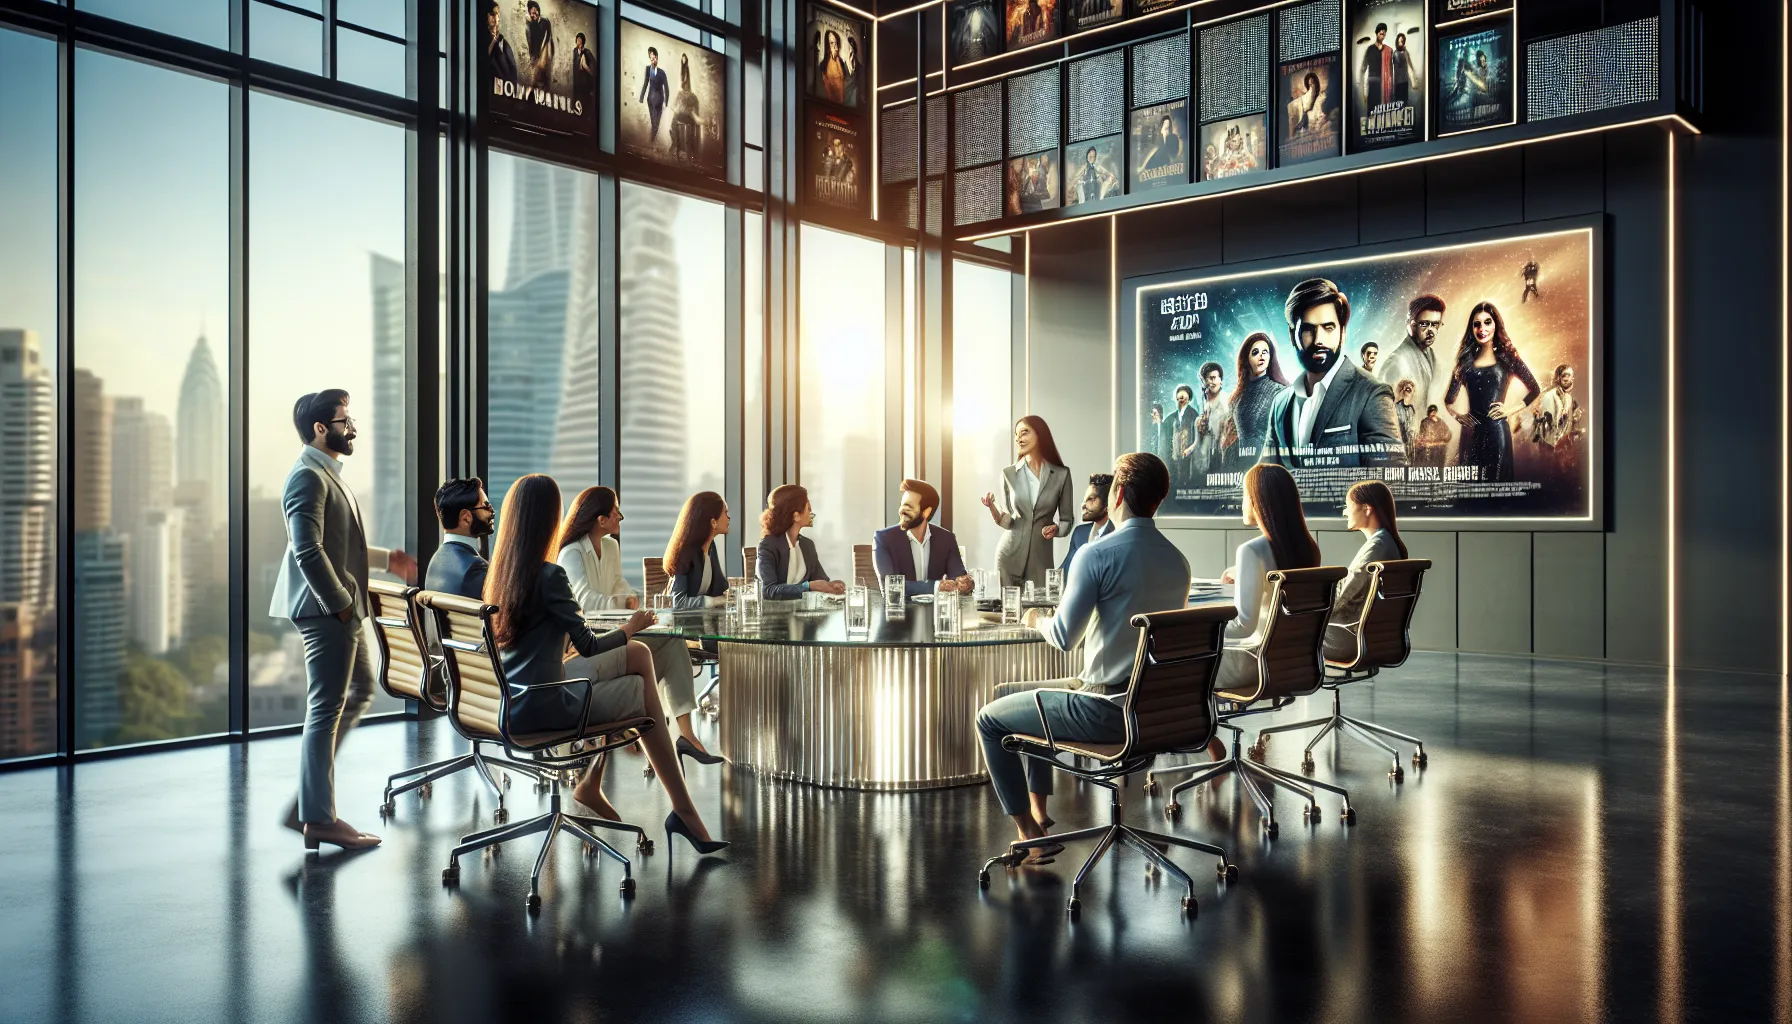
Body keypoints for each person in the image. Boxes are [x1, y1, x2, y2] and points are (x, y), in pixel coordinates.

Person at [487, 475, 726, 853]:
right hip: (549, 703)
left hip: (511, 699)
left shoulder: (500, 574)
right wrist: (631, 627)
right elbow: (587, 642)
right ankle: (683, 808)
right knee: (640, 684)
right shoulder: (551, 574)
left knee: (639, 657)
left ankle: (606, 782)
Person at [974, 453, 1189, 861]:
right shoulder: (1178, 561)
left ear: (1118, 494)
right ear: (1158, 501)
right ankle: (1039, 810)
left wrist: (1035, 616)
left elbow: (1062, 637)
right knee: (1010, 692)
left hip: (1105, 710)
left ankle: (1028, 837)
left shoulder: (1098, 554)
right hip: (1154, 707)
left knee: (988, 718)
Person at [271, 389, 418, 851]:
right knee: (327, 708)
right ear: (320, 428)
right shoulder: (307, 478)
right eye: (344, 420)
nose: (352, 427)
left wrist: (384, 559)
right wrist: (339, 603)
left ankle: (307, 807)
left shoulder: (325, 474)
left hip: (339, 607)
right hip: (326, 611)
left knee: (356, 693)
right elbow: (307, 550)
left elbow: (337, 544)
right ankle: (318, 818)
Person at [556, 487, 719, 761]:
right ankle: (633, 724)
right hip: (590, 642)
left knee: (672, 640)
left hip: (618, 632)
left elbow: (618, 584)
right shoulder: (571, 553)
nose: (620, 516)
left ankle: (686, 735)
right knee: (651, 653)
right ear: (600, 519)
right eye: (615, 511)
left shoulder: (611, 546)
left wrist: (630, 597)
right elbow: (586, 601)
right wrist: (623, 604)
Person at [1260, 278, 1404, 468]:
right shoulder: (1280, 403)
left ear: (1342, 332)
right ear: (1292, 335)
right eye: (1308, 329)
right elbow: (1263, 479)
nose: (1319, 339)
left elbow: (1389, 480)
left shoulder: (1371, 394)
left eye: (1328, 328)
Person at [1217, 464, 1320, 691]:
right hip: (1288, 662)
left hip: (1251, 663)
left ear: (1258, 500)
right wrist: (1241, 570)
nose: (1242, 503)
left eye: (1245, 495)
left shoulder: (1251, 551)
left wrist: (1202, 629)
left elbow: (1244, 626)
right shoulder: (1308, 548)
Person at [1444, 301, 1541, 482]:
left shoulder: (1508, 359)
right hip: (1471, 435)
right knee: (1470, 493)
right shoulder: (1464, 362)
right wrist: (1458, 416)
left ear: (1496, 324)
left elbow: (1535, 388)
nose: (1482, 328)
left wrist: (1510, 410)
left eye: (1487, 322)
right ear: (1471, 328)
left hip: (1497, 434)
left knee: (1496, 492)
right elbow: (1449, 399)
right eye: (1477, 324)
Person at [982, 416, 1075, 589]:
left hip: (1041, 559)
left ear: (1040, 435)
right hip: (1009, 555)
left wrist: (1056, 529)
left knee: (1038, 612)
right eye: (1016, 435)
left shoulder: (1062, 475)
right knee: (1008, 612)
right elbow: (1008, 520)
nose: (1019, 438)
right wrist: (993, 509)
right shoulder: (1008, 474)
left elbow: (1067, 520)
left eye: (1024, 432)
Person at [1324, 480, 1408, 661]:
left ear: (1367, 509)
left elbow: (1345, 596)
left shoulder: (1376, 547)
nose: (1344, 512)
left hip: (1349, 639)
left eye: (1348, 506)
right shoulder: (1387, 543)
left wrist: (1314, 612)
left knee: (1287, 637)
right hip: (1373, 637)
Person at [872, 479, 973, 598]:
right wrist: (935, 586)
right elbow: (890, 587)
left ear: (926, 512)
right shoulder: (884, 539)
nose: (902, 511)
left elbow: (958, 576)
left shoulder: (946, 539)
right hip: (899, 613)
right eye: (902, 505)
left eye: (908, 507)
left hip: (936, 613)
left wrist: (965, 583)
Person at [756, 484, 847, 600]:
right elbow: (768, 590)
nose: (811, 512)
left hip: (801, 614)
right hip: (773, 615)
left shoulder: (807, 545)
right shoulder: (768, 545)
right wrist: (807, 586)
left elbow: (820, 580)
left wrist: (832, 585)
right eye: (808, 508)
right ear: (796, 516)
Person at [1221, 331, 1289, 469]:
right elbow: (1230, 439)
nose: (1261, 355)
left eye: (1266, 352)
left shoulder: (1279, 392)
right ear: (1246, 359)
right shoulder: (1236, 397)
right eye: (1255, 352)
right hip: (1241, 468)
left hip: (1270, 466)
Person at [424, 477, 493, 599]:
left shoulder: (435, 563)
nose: (492, 511)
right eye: (486, 506)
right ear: (466, 518)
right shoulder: (474, 569)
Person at [1378, 294, 1447, 414]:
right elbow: (1382, 411)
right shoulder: (1397, 362)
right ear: (1411, 324)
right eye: (1424, 324)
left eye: (1435, 324)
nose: (1431, 331)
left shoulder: (1431, 356)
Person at [665, 492, 731, 610]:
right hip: (680, 625)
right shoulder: (684, 552)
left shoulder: (710, 547)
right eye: (725, 513)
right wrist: (714, 601)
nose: (729, 518)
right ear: (713, 522)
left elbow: (720, 589)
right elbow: (678, 603)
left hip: (702, 623)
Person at [1514, 364, 1584, 473]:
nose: (1568, 378)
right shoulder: (1550, 396)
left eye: (1570, 375)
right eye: (1565, 375)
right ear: (1558, 377)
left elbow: (1566, 424)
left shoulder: (1569, 398)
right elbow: (1548, 425)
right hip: (1548, 446)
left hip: (1559, 446)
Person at [1058, 473, 1115, 572]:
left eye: (1091, 499)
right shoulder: (1080, 533)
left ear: (1108, 503)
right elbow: (1064, 571)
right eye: (1084, 500)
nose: (1083, 505)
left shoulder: (1117, 535)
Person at [1191, 362, 1231, 480]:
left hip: (1224, 455)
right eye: (1207, 379)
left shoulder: (1226, 400)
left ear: (1220, 380)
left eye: (1213, 378)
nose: (1210, 382)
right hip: (1207, 458)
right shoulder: (1204, 403)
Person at [670, 55, 704, 165]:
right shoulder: (681, 94)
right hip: (684, 114)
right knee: (674, 124)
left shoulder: (691, 96)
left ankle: (686, 151)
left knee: (686, 121)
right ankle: (675, 145)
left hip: (688, 116)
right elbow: (675, 107)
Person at [1167, 383, 1200, 489]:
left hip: (1188, 449)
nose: (1181, 399)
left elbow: (1197, 436)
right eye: (1179, 397)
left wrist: (1191, 448)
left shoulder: (1193, 413)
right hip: (1176, 450)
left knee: (1186, 474)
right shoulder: (1174, 416)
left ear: (1189, 399)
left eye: (1184, 397)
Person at [482, 0, 518, 85]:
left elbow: (513, 70)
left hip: (505, 91)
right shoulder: (483, 39)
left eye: (497, 14)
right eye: (492, 14)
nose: (495, 17)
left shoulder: (504, 43)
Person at [638, 46, 669, 142]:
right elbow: (645, 83)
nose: (652, 60)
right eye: (651, 58)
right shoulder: (648, 69)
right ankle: (652, 143)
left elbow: (666, 88)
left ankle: (652, 142)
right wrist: (641, 97)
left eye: (654, 58)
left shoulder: (662, 73)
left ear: (657, 58)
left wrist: (666, 102)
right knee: (654, 124)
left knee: (656, 125)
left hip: (659, 101)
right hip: (650, 101)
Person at [523, 0, 554, 92]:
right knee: (536, 76)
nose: (533, 14)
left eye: (535, 11)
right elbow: (530, 42)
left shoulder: (545, 22)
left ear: (538, 10)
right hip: (534, 54)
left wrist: (545, 53)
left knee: (545, 77)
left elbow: (548, 37)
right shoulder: (530, 25)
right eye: (531, 13)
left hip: (545, 52)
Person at [1361, 23, 1391, 108]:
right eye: (1381, 34)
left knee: (1382, 109)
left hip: (1383, 83)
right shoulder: (1370, 49)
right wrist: (1364, 89)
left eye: (1384, 34)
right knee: (1371, 108)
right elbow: (1363, 68)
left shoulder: (1387, 50)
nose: (1382, 36)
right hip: (1372, 82)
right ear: (1377, 33)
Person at [817, 29, 848, 105]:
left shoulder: (842, 64)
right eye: (831, 43)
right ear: (827, 45)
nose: (834, 46)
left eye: (836, 43)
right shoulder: (823, 66)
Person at [1392, 379, 1419, 460]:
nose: (1408, 392)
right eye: (1406, 389)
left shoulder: (1412, 409)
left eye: (1410, 390)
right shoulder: (1397, 407)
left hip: (1409, 444)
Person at [571, 31, 596, 100]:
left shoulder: (587, 52)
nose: (578, 41)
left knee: (584, 97)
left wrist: (588, 69)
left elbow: (593, 64)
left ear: (583, 41)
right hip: (577, 77)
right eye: (577, 39)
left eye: (580, 39)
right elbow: (575, 63)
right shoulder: (575, 51)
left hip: (584, 78)